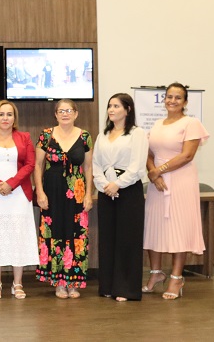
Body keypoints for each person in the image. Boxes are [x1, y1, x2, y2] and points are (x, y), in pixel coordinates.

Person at [142, 82, 209, 300]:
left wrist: (159, 171)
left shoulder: (191, 123)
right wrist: (154, 173)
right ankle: (155, 273)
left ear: (185, 101)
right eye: (169, 96)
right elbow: (148, 153)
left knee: (178, 227)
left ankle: (176, 277)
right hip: (157, 183)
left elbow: (187, 155)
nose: (172, 100)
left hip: (181, 180)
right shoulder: (157, 124)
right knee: (155, 227)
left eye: (177, 97)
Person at [0, 100, 39, 300]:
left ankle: (17, 283)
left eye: (9, 114)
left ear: (14, 118)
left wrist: (11, 183)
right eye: (1, 114)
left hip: (19, 195)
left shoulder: (25, 137)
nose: (5, 118)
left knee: (18, 236)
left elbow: (30, 164)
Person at [34, 99, 93, 299]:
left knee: (76, 234)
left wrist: (88, 194)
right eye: (61, 111)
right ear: (56, 114)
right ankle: (59, 282)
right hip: (52, 192)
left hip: (76, 193)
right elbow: (37, 165)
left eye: (69, 110)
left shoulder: (85, 136)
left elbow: (89, 167)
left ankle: (73, 282)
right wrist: (39, 192)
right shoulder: (46, 135)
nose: (65, 114)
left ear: (76, 113)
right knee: (55, 232)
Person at [92, 93, 148, 302]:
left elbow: (137, 166)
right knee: (108, 239)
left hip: (128, 190)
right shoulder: (102, 135)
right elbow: (96, 165)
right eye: (109, 106)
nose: (111, 110)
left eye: (116, 106)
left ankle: (126, 288)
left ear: (128, 109)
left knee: (127, 240)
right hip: (107, 191)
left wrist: (118, 184)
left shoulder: (137, 133)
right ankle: (107, 285)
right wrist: (105, 185)